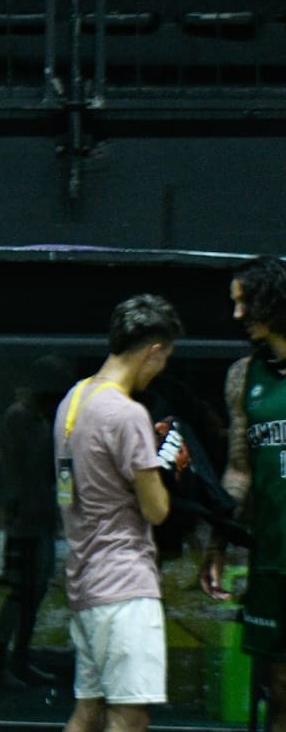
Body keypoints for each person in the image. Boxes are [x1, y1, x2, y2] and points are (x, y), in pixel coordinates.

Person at [55, 294, 181, 732]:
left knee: (87, 713)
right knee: (129, 716)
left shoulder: (72, 401)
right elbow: (157, 509)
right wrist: (170, 463)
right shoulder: (127, 415)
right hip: (125, 586)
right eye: (163, 360)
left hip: (84, 581)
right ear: (153, 351)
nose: (161, 370)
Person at [199, 255, 286, 732]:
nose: (236, 316)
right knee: (278, 692)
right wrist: (217, 541)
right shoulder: (243, 377)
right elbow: (238, 471)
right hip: (273, 559)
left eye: (244, 303)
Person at [0, 354, 74, 689]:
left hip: (39, 522)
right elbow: (25, 473)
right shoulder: (21, 417)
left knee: (34, 592)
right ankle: (0, 665)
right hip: (24, 522)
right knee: (20, 593)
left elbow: (61, 466)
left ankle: (19, 660)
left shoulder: (42, 420)